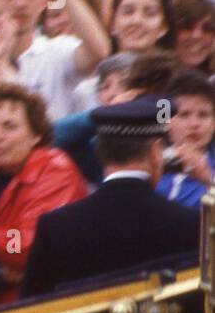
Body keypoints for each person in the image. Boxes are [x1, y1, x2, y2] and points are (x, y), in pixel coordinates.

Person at [22, 96, 201, 298]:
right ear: (154, 152)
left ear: (100, 153)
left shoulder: (54, 227)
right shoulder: (191, 223)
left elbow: (29, 312)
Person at [0, 83, 86, 301]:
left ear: (36, 134)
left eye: (9, 127)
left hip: (44, 302)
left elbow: (24, 246)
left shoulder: (55, 170)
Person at [157, 72, 215, 209]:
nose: (194, 124)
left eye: (203, 115)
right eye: (184, 115)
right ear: (165, 121)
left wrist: (209, 180)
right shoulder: (150, 166)